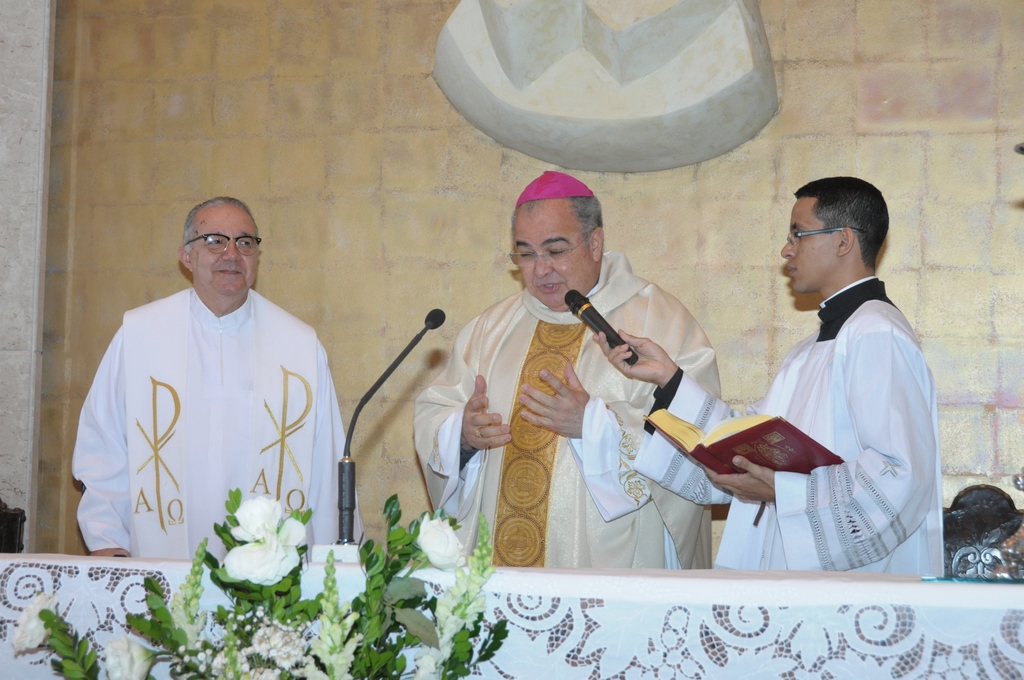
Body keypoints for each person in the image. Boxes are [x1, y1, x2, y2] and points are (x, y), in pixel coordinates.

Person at [601, 177, 943, 574]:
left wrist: (784, 489)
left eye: (798, 235)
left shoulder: (877, 333)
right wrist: (668, 377)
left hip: (850, 590)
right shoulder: (808, 350)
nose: (787, 249)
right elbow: (747, 442)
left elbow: (899, 476)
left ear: (843, 241)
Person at [414, 171, 720, 569]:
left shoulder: (659, 320)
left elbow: (702, 439)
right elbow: (435, 412)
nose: (540, 270)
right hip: (497, 565)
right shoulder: (488, 331)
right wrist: (463, 435)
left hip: (612, 566)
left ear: (595, 243)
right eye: (525, 254)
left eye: (555, 250)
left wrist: (592, 424)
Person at [72, 197, 362, 559]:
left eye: (245, 242)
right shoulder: (140, 335)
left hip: (270, 582)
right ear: (186, 256)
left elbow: (325, 468)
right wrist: (106, 539)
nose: (231, 254)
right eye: (214, 240)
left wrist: (328, 565)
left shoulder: (299, 347)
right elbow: (104, 448)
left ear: (257, 257)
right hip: (156, 565)